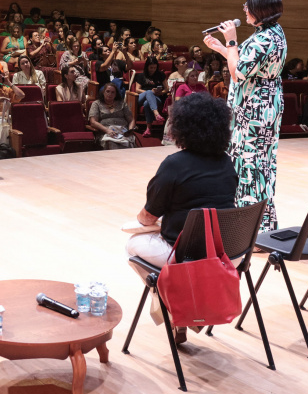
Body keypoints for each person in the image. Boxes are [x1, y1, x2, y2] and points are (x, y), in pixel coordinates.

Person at [124, 93, 238, 333]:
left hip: (186, 254)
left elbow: (147, 217)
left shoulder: (174, 164)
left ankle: (173, 303)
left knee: (133, 244)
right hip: (226, 252)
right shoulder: (227, 162)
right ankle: (184, 310)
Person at [203, 0, 287, 231]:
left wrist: (230, 40)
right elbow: (246, 63)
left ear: (259, 10)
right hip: (260, 107)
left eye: (247, 5)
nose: (244, 9)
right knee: (256, 164)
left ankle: (255, 232)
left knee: (252, 166)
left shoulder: (264, 38)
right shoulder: (272, 31)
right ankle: (258, 227)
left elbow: (238, 73)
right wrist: (221, 48)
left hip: (255, 111)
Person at [129, 56, 168, 136]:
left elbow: (167, 89)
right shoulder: (141, 75)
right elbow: (137, 90)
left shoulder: (160, 74)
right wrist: (149, 92)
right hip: (141, 97)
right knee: (149, 92)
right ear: (147, 67)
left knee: (147, 103)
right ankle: (156, 114)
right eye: (151, 67)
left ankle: (148, 129)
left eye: (154, 67)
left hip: (157, 97)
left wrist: (160, 93)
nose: (153, 69)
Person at [89, 83, 135, 149]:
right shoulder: (97, 104)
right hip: (106, 132)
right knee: (111, 143)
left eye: (113, 92)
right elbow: (93, 122)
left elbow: (131, 120)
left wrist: (130, 130)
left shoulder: (122, 103)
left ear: (116, 94)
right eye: (108, 91)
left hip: (122, 132)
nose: (110, 94)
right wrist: (107, 130)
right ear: (103, 92)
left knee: (127, 144)